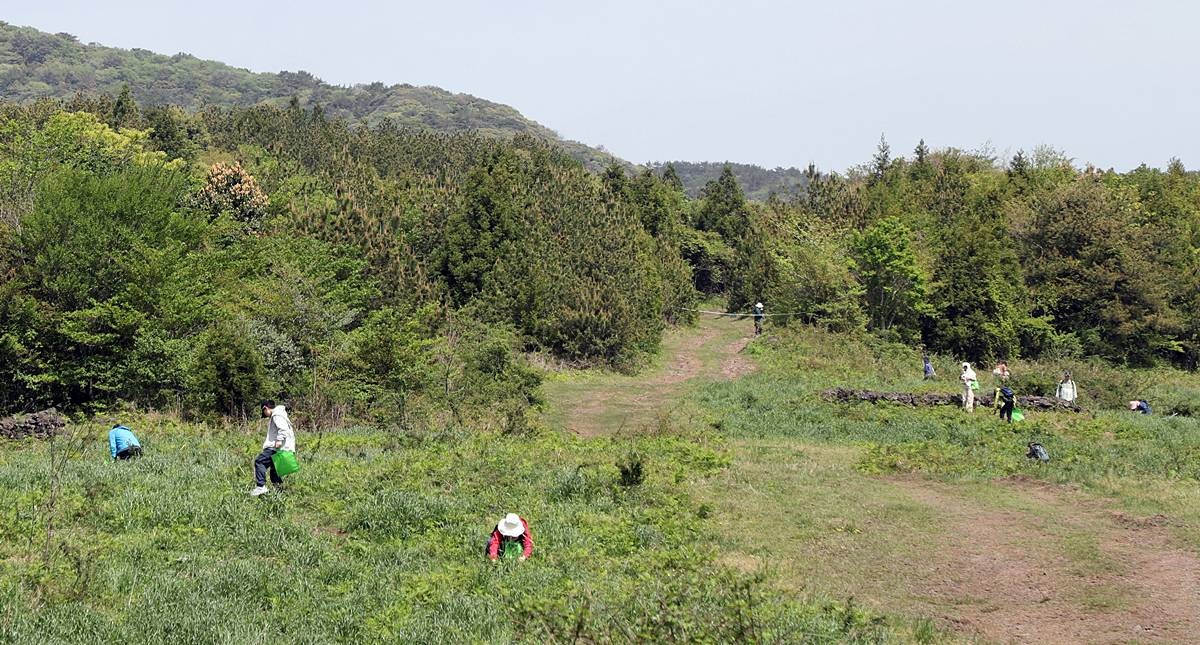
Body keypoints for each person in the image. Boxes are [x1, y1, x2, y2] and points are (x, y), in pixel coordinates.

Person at [251, 400, 295, 497]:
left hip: (275, 448)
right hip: (284, 449)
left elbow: (283, 429)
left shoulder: (276, 415)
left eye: (264, 413)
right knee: (274, 475)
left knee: (259, 461)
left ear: (265, 408)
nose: (266, 415)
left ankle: (260, 487)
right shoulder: (281, 414)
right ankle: (281, 495)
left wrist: (279, 440)